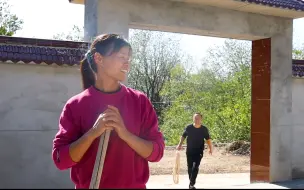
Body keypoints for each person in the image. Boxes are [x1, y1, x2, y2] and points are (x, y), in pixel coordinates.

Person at [52, 34, 165, 189]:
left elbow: (156, 153)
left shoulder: (140, 102)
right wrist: (93, 132)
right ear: (99, 58)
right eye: (121, 56)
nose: (127, 63)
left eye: (129, 58)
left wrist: (125, 134)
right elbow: (61, 160)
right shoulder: (76, 105)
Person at [176, 113, 212, 189]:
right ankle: (191, 183)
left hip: (199, 151)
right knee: (189, 167)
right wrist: (179, 145)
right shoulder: (189, 128)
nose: (197, 120)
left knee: (195, 166)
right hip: (189, 150)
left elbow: (208, 139)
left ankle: (192, 183)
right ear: (193, 119)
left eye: (198, 118)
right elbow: (183, 136)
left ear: (201, 119)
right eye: (195, 118)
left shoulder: (204, 129)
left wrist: (210, 148)